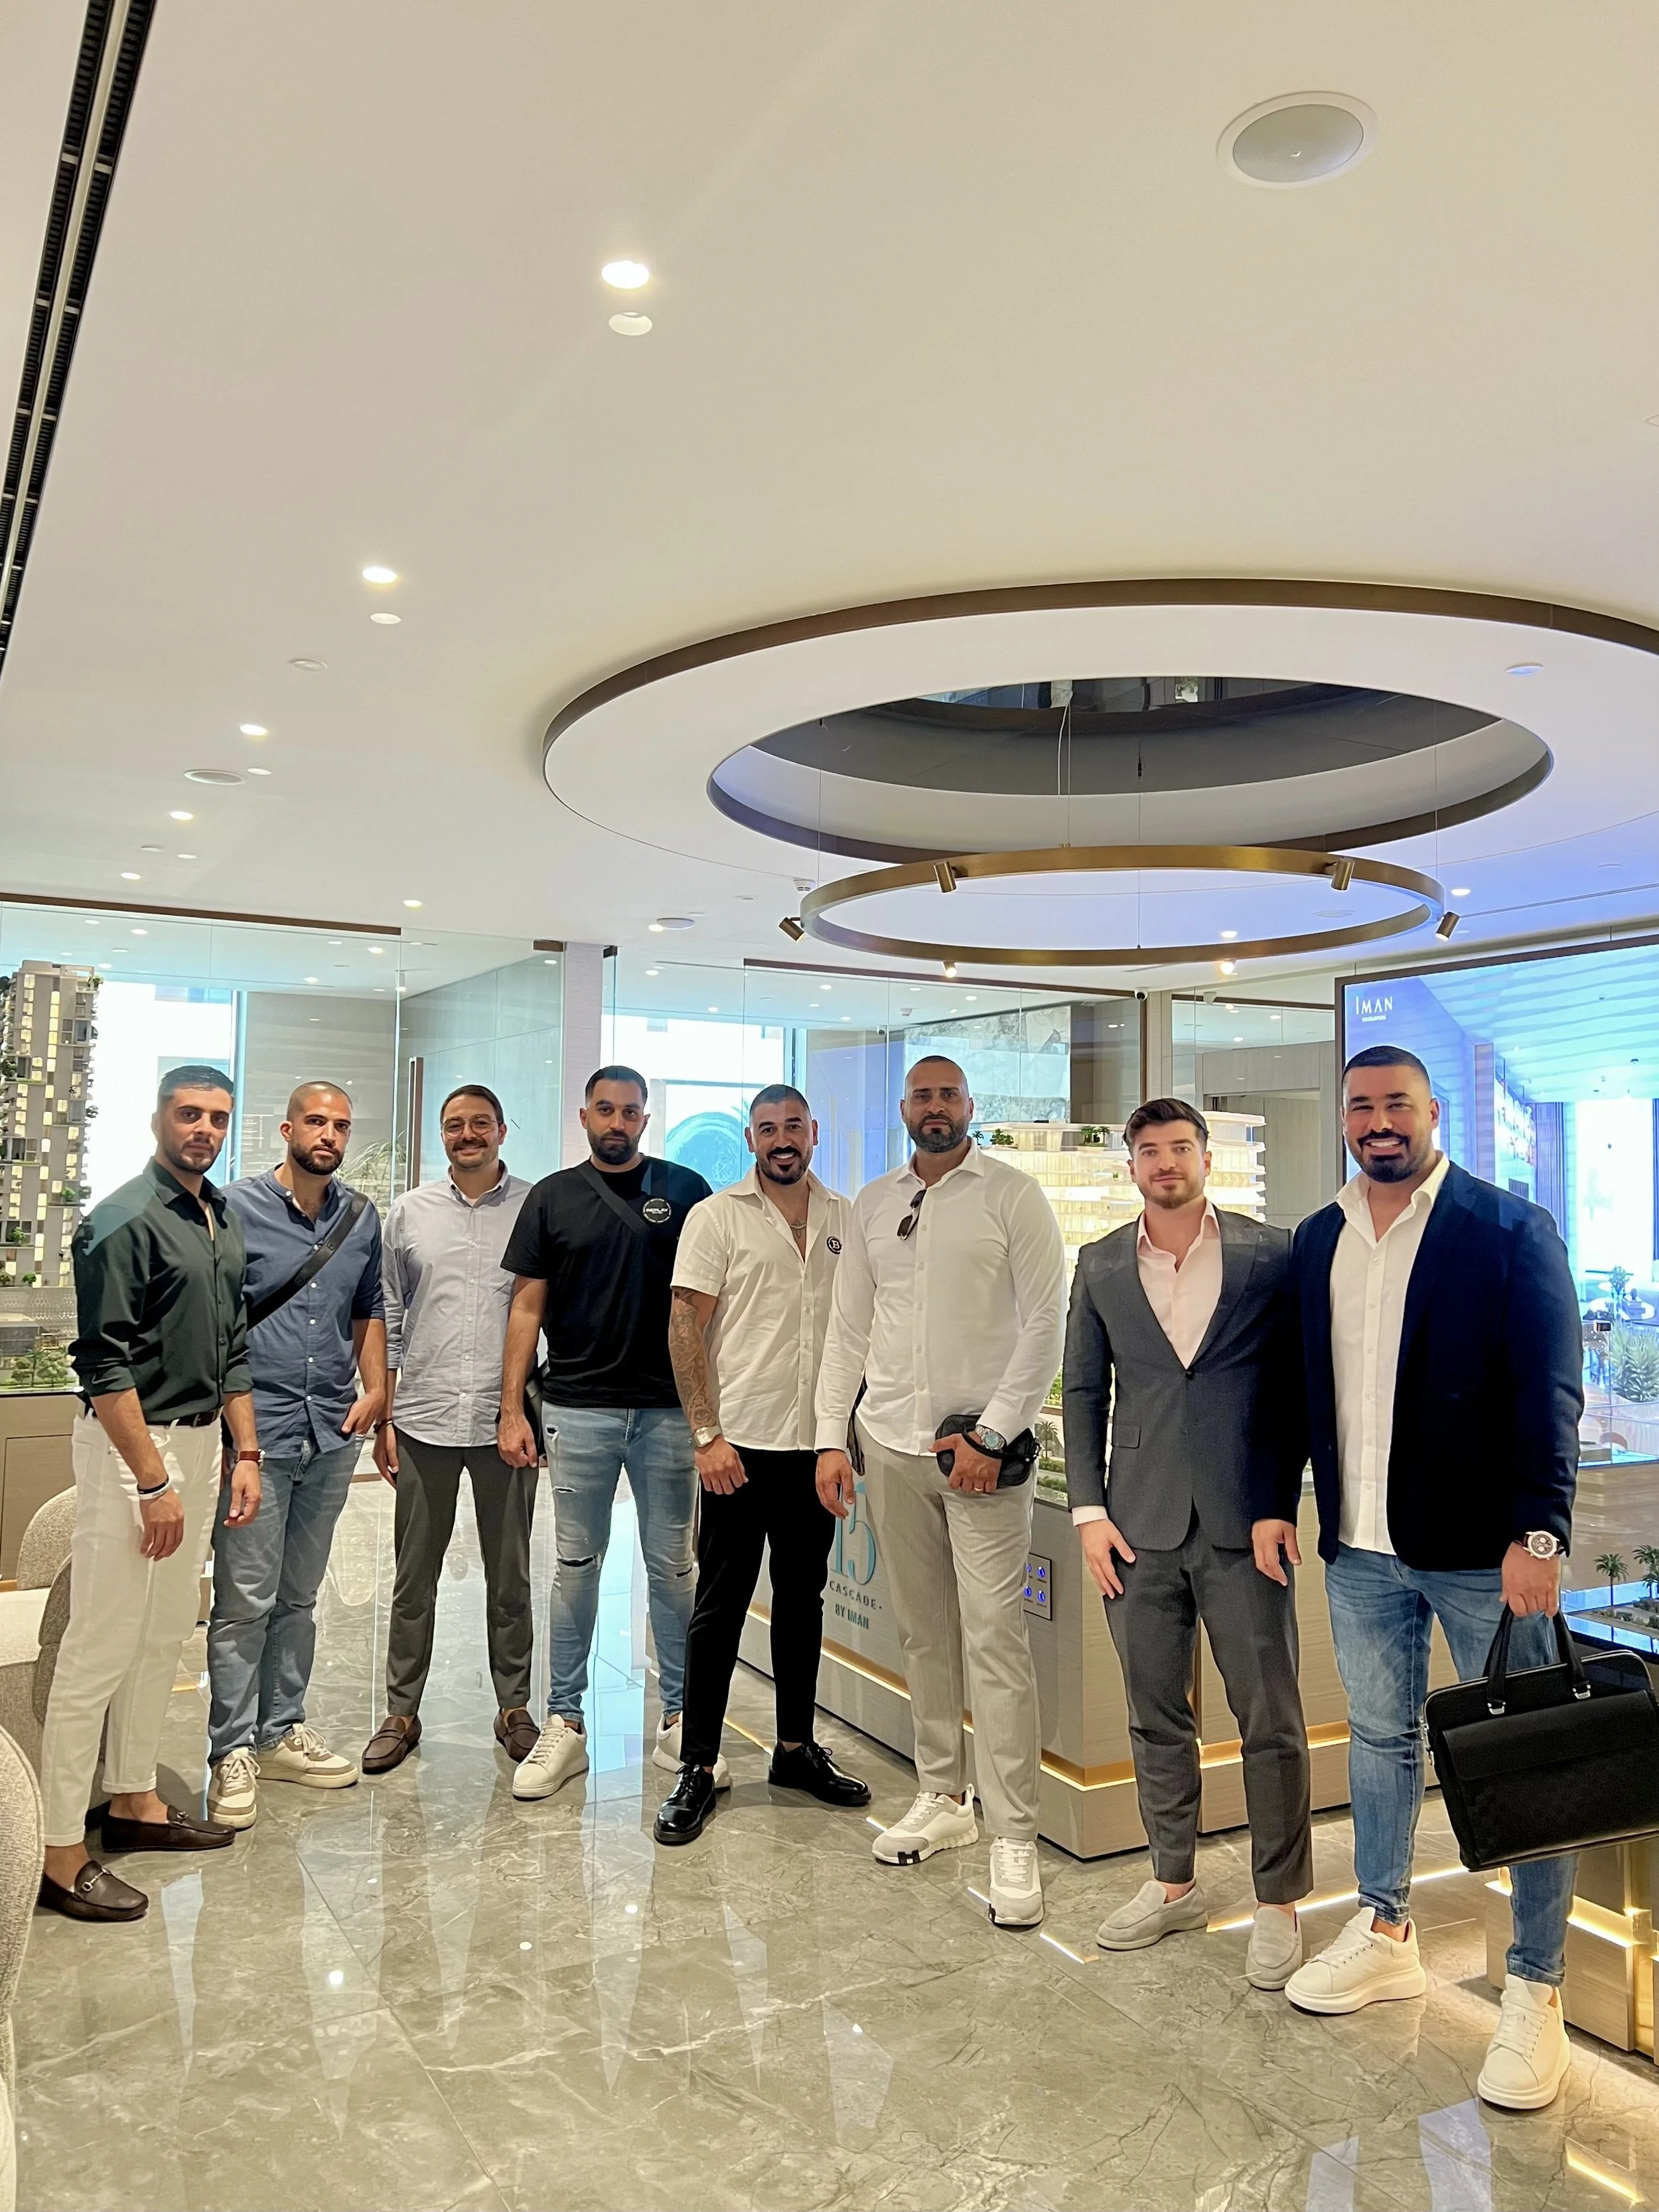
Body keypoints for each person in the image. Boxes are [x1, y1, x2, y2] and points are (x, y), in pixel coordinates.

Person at [1256, 1045, 1583, 2111]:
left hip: (1485, 1556)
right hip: (1359, 1549)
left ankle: (1538, 1986)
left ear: (1435, 1112)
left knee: (1526, 1754)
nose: (1379, 1120)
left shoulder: (1506, 1226)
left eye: (1398, 1102)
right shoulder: (1319, 1238)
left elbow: (1551, 1391)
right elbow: (1297, 1387)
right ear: (1344, 1119)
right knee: (1381, 1736)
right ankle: (1387, 1922)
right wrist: (1274, 1499)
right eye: (1361, 1105)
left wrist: (1539, 1532)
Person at [1063, 1097, 1310, 1988]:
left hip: (1248, 1520)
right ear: (1130, 1165)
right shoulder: (1098, 1264)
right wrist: (1089, 1513)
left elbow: (1294, 1388)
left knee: (1269, 1715)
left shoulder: (1269, 1253)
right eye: (1149, 1150)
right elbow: (1084, 1391)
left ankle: (1279, 1900)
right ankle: (1173, 1880)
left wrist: (1281, 1497)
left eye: (1180, 1147)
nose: (1165, 1161)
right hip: (1135, 1523)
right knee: (1154, 1709)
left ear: (1207, 1157)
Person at [815, 1056, 1064, 1928]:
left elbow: (1045, 1321)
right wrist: (830, 1439)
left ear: (970, 1104)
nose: (934, 1107)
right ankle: (943, 1794)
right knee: (922, 1630)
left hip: (982, 1457)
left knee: (995, 1637)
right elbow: (848, 1331)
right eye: (921, 1095)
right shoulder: (875, 1203)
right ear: (904, 1108)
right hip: (889, 1442)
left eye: (947, 1094)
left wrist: (994, 1433)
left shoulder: (1012, 1196)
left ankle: (1015, 1835)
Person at [38, 1066, 259, 1921]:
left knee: (167, 1632)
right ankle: (60, 1850)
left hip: (204, 1443)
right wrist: (154, 1477)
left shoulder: (217, 1214)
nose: (203, 1129)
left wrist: (248, 1449)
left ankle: (132, 1801)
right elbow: (102, 1365)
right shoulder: (121, 1220)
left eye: (217, 1117)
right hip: (139, 1448)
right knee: (101, 1643)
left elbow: (233, 1341)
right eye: (189, 1114)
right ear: (159, 1116)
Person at [654, 1085, 871, 1844]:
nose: (781, 1140)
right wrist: (706, 1435)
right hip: (737, 1449)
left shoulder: (848, 1218)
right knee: (718, 1606)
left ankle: (793, 1749)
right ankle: (699, 1764)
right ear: (750, 1139)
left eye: (792, 1127)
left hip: (816, 1449)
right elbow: (685, 1323)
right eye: (767, 1129)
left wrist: (841, 1436)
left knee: (803, 1600)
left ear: (814, 1132)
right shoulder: (717, 1217)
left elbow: (861, 1331)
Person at [498, 1066, 711, 1800]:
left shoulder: (686, 1193)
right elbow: (525, 1309)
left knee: (673, 1568)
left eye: (630, 1111)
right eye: (604, 1110)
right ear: (583, 1115)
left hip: (667, 1414)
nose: (616, 1122)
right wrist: (509, 1409)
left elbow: (712, 1302)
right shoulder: (551, 1197)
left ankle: (683, 1716)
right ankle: (566, 1724)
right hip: (578, 1408)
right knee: (575, 1568)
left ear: (645, 1119)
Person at [205, 1083, 386, 1826]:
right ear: (287, 1128)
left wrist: (377, 1393)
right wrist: (238, 1440)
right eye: (317, 1121)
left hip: (335, 1431)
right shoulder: (236, 1209)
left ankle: (281, 1732)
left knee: (300, 1597)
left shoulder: (360, 1214)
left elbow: (368, 1308)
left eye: (342, 1125)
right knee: (244, 1601)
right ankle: (230, 1751)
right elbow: (219, 1327)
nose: (330, 1134)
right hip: (261, 1434)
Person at [361, 1083, 536, 1775]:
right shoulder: (408, 1212)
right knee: (413, 1580)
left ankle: (514, 1706)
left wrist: (525, 1406)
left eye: (480, 1124)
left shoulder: (533, 1207)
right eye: (455, 1125)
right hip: (426, 1419)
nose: (468, 1135)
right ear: (443, 1136)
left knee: (512, 1576)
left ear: (501, 1131)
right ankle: (401, 1712)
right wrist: (387, 1412)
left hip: (505, 1421)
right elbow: (390, 1316)